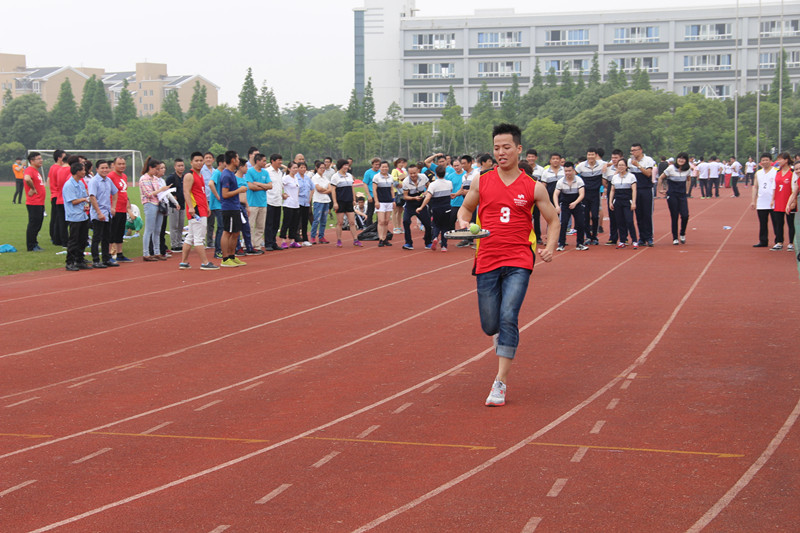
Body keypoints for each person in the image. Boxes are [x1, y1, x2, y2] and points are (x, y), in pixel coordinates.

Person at [455, 123, 559, 407]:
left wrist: (549, 248)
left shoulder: (534, 187)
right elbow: (466, 208)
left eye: (506, 147)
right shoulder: (481, 181)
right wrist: (463, 221)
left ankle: (500, 382)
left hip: (519, 259)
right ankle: (500, 335)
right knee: (491, 324)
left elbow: (553, 220)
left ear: (518, 149)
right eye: (496, 148)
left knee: (509, 315)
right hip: (487, 258)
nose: (501, 153)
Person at [179, 152, 219, 270]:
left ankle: (184, 262)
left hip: (202, 208)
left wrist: (207, 206)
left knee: (190, 237)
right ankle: (205, 263)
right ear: (191, 162)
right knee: (199, 237)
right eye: (196, 161)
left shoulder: (200, 175)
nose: (199, 163)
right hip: (196, 210)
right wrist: (191, 207)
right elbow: (186, 192)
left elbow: (201, 192)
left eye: (201, 160)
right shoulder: (190, 175)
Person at [87, 160, 119, 267]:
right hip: (98, 213)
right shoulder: (94, 181)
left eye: (106, 168)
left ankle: (106, 259)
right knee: (97, 237)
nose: (105, 170)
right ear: (97, 169)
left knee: (106, 237)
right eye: (102, 168)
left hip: (107, 212)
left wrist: (113, 207)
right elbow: (92, 197)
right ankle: (96, 260)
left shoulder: (108, 180)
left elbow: (115, 192)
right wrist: (99, 212)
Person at [61, 162, 92, 271]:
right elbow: (73, 201)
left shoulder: (80, 183)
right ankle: (70, 262)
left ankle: (80, 260)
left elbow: (84, 196)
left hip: (83, 215)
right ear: (77, 171)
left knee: (83, 239)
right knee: (74, 240)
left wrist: (86, 204)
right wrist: (84, 200)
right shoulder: (69, 185)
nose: (84, 172)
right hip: (74, 216)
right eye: (82, 170)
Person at [219, 150, 248, 266]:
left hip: (235, 206)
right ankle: (225, 258)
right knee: (227, 232)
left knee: (235, 232)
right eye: (237, 158)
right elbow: (225, 194)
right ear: (232, 160)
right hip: (229, 208)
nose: (239, 160)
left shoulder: (231, 173)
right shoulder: (226, 175)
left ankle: (232, 256)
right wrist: (239, 190)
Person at [139, 157, 171, 262]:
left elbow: (157, 192)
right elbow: (148, 194)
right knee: (149, 230)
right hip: (150, 204)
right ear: (150, 168)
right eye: (156, 169)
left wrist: (163, 191)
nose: (158, 171)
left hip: (158, 203)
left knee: (158, 230)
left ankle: (157, 252)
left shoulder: (155, 179)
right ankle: (146, 253)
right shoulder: (144, 179)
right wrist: (161, 190)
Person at [416, 165, 453, 252]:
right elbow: (450, 191)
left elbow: (428, 197)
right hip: (447, 208)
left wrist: (421, 207)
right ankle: (444, 246)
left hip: (436, 208)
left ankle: (435, 237)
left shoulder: (433, 185)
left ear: (436, 174)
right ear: (444, 173)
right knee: (445, 227)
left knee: (436, 224)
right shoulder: (449, 183)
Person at [658, 152, 691, 245]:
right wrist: (660, 189)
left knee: (685, 215)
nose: (681, 160)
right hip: (672, 195)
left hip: (682, 195)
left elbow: (689, 179)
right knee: (674, 216)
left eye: (683, 158)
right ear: (677, 159)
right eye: (679, 158)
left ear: (686, 160)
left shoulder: (687, 169)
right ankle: (675, 237)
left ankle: (682, 233)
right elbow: (660, 178)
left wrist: (687, 191)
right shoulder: (671, 168)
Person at [553, 162, 588, 251]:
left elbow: (582, 194)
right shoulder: (561, 181)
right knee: (563, 223)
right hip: (565, 204)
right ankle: (561, 244)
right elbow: (555, 194)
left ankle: (580, 244)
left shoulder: (579, 180)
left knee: (580, 223)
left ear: (573, 170)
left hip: (577, 203)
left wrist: (575, 203)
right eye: (566, 171)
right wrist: (557, 206)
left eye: (569, 171)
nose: (567, 173)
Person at [331, 158, 363, 247]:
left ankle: (356, 240)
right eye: (345, 165)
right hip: (340, 202)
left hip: (349, 201)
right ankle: (339, 240)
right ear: (341, 166)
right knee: (340, 222)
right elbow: (333, 190)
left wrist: (354, 199)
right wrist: (335, 202)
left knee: (352, 222)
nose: (346, 167)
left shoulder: (349, 176)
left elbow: (352, 188)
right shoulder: (335, 177)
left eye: (347, 165)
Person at [575, 148, 604, 245]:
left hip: (595, 194)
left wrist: (607, 166)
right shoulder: (581, 166)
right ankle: (588, 236)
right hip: (585, 194)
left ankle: (594, 236)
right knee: (586, 216)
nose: (590, 157)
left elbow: (613, 163)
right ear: (587, 155)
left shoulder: (601, 164)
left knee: (595, 216)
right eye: (589, 155)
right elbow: (573, 173)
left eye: (592, 155)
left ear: (596, 155)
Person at [629, 143, 655, 247]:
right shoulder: (629, 161)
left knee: (647, 214)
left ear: (640, 150)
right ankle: (642, 237)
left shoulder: (648, 160)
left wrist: (638, 165)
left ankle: (649, 237)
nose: (633, 152)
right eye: (632, 151)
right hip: (635, 190)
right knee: (638, 214)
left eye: (635, 150)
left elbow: (648, 173)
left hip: (646, 189)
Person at [108, 157, 133, 263]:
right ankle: (109, 254)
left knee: (120, 231)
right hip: (115, 208)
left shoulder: (124, 176)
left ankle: (119, 253)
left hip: (123, 208)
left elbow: (124, 192)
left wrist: (127, 205)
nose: (122, 166)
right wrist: (111, 207)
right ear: (114, 165)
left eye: (123, 164)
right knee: (112, 231)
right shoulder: (110, 176)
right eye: (119, 164)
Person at [609, 159, 638, 249]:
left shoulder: (631, 176)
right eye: (619, 165)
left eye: (622, 165)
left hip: (627, 201)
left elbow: (634, 190)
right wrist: (610, 202)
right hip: (618, 201)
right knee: (619, 221)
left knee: (629, 221)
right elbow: (612, 190)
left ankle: (634, 240)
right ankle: (622, 240)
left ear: (626, 166)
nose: (621, 167)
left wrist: (633, 202)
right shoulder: (615, 177)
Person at [401, 163, 431, 250]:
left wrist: (426, 193)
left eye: (414, 173)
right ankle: (408, 243)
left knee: (427, 224)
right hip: (410, 203)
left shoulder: (423, 177)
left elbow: (430, 186)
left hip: (421, 203)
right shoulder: (405, 182)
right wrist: (414, 198)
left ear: (418, 171)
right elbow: (405, 196)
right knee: (406, 221)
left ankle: (428, 242)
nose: (413, 175)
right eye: (411, 173)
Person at [246, 153, 272, 250]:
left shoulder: (265, 172)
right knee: (250, 225)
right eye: (264, 161)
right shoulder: (250, 171)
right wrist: (264, 187)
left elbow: (270, 186)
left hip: (263, 203)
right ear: (258, 161)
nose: (265, 163)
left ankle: (257, 245)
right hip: (252, 203)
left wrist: (258, 184)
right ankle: (249, 244)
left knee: (260, 226)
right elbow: (251, 186)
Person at [770, 152, 796, 251]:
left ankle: (791, 243)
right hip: (779, 200)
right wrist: (773, 199)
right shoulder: (777, 172)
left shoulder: (792, 172)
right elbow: (775, 186)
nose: (778, 161)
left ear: (786, 160)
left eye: (780, 159)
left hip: (789, 201)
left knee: (791, 223)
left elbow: (795, 188)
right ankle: (779, 242)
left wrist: (793, 201)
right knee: (778, 223)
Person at [751, 153, 776, 248]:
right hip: (761, 201)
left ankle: (778, 241)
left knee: (776, 223)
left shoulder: (776, 171)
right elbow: (755, 187)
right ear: (760, 162)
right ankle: (763, 240)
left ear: (771, 161)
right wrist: (753, 201)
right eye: (763, 160)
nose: (765, 162)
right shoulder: (758, 173)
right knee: (763, 223)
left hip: (773, 202)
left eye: (767, 160)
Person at [23, 152, 46, 252]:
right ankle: (31, 246)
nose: (41, 160)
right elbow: (27, 179)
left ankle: (34, 243)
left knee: (38, 224)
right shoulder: (29, 170)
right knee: (34, 224)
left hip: (39, 202)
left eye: (41, 158)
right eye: (38, 159)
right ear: (32, 161)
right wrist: (32, 188)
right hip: (34, 202)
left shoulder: (36, 171)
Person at [279, 161, 302, 249]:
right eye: (294, 168)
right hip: (288, 204)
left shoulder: (296, 178)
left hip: (296, 204)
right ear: (289, 169)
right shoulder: (286, 178)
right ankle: (283, 240)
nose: (295, 169)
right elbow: (279, 186)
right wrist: (282, 194)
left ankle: (292, 240)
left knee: (294, 224)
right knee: (286, 223)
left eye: (296, 168)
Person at [372, 160, 396, 247]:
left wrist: (393, 200)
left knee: (386, 221)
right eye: (383, 167)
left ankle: (385, 238)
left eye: (386, 167)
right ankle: (380, 239)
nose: (384, 168)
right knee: (381, 221)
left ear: (388, 168)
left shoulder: (390, 177)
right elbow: (374, 190)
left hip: (389, 201)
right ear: (380, 168)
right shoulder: (376, 177)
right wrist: (376, 201)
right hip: (380, 202)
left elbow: (392, 189)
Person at [602, 149, 623, 245]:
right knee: (612, 215)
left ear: (621, 158)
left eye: (616, 158)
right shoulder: (608, 168)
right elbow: (604, 181)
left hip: (623, 193)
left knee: (623, 216)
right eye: (612, 158)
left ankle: (624, 237)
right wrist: (610, 188)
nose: (614, 159)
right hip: (611, 192)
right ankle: (613, 237)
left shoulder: (626, 168)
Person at [265, 154, 285, 251]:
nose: (280, 162)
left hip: (278, 201)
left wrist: (282, 195)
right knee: (269, 223)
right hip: (269, 200)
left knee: (276, 224)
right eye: (278, 160)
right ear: (272, 161)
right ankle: (268, 243)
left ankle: (273, 242)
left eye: (281, 160)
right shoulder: (267, 171)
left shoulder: (280, 172)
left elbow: (279, 186)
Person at [165, 159, 186, 251]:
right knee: (174, 226)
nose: (181, 167)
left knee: (181, 225)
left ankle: (179, 242)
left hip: (182, 204)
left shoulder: (184, 177)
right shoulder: (171, 178)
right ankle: (174, 244)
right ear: (175, 167)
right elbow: (166, 190)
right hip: (173, 205)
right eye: (179, 166)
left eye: (182, 165)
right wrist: (173, 198)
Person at [310, 161, 332, 244]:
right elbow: (318, 189)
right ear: (317, 168)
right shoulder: (314, 178)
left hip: (326, 200)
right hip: (318, 200)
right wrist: (326, 190)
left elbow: (330, 189)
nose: (322, 169)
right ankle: (313, 236)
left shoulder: (325, 178)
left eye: (324, 168)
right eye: (321, 168)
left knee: (324, 220)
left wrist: (324, 190)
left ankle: (321, 236)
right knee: (316, 220)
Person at [48, 150, 66, 245]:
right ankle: (56, 237)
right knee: (58, 218)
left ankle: (54, 236)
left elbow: (49, 180)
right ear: (59, 158)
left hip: (54, 194)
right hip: (58, 195)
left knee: (55, 217)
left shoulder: (52, 167)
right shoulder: (59, 168)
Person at [297, 161, 313, 246]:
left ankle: (305, 239)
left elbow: (312, 188)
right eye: (301, 167)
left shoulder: (307, 178)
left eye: (304, 167)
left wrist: (310, 198)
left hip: (306, 202)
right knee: (296, 220)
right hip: (298, 202)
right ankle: (295, 237)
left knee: (304, 221)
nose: (303, 169)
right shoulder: (295, 177)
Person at [391, 158, 408, 233]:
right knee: (395, 210)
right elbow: (392, 178)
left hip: (402, 192)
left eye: (402, 163)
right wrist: (398, 178)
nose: (401, 164)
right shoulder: (395, 170)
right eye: (399, 163)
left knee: (400, 210)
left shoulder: (404, 171)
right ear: (396, 164)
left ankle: (399, 226)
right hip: (396, 192)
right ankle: (395, 227)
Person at [363, 157, 380, 224]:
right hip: (372, 195)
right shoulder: (368, 173)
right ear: (372, 164)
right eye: (376, 164)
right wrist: (368, 195)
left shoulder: (380, 172)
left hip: (380, 195)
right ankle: (368, 226)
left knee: (380, 212)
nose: (377, 166)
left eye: (378, 164)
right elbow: (365, 184)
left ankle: (378, 226)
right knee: (370, 212)